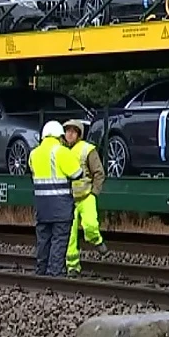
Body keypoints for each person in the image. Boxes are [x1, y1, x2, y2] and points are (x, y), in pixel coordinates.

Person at [29, 120, 84, 277]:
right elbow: (77, 174)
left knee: (43, 240)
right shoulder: (61, 152)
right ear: (59, 136)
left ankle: (41, 271)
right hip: (60, 207)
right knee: (59, 240)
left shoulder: (33, 154)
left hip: (42, 207)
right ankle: (55, 274)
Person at [62, 119, 108, 277]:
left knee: (90, 225)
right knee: (70, 236)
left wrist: (94, 192)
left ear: (79, 134)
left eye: (73, 131)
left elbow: (99, 172)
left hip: (86, 196)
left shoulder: (87, 149)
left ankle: (97, 241)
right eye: (67, 130)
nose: (70, 134)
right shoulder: (60, 150)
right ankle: (72, 267)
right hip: (69, 200)